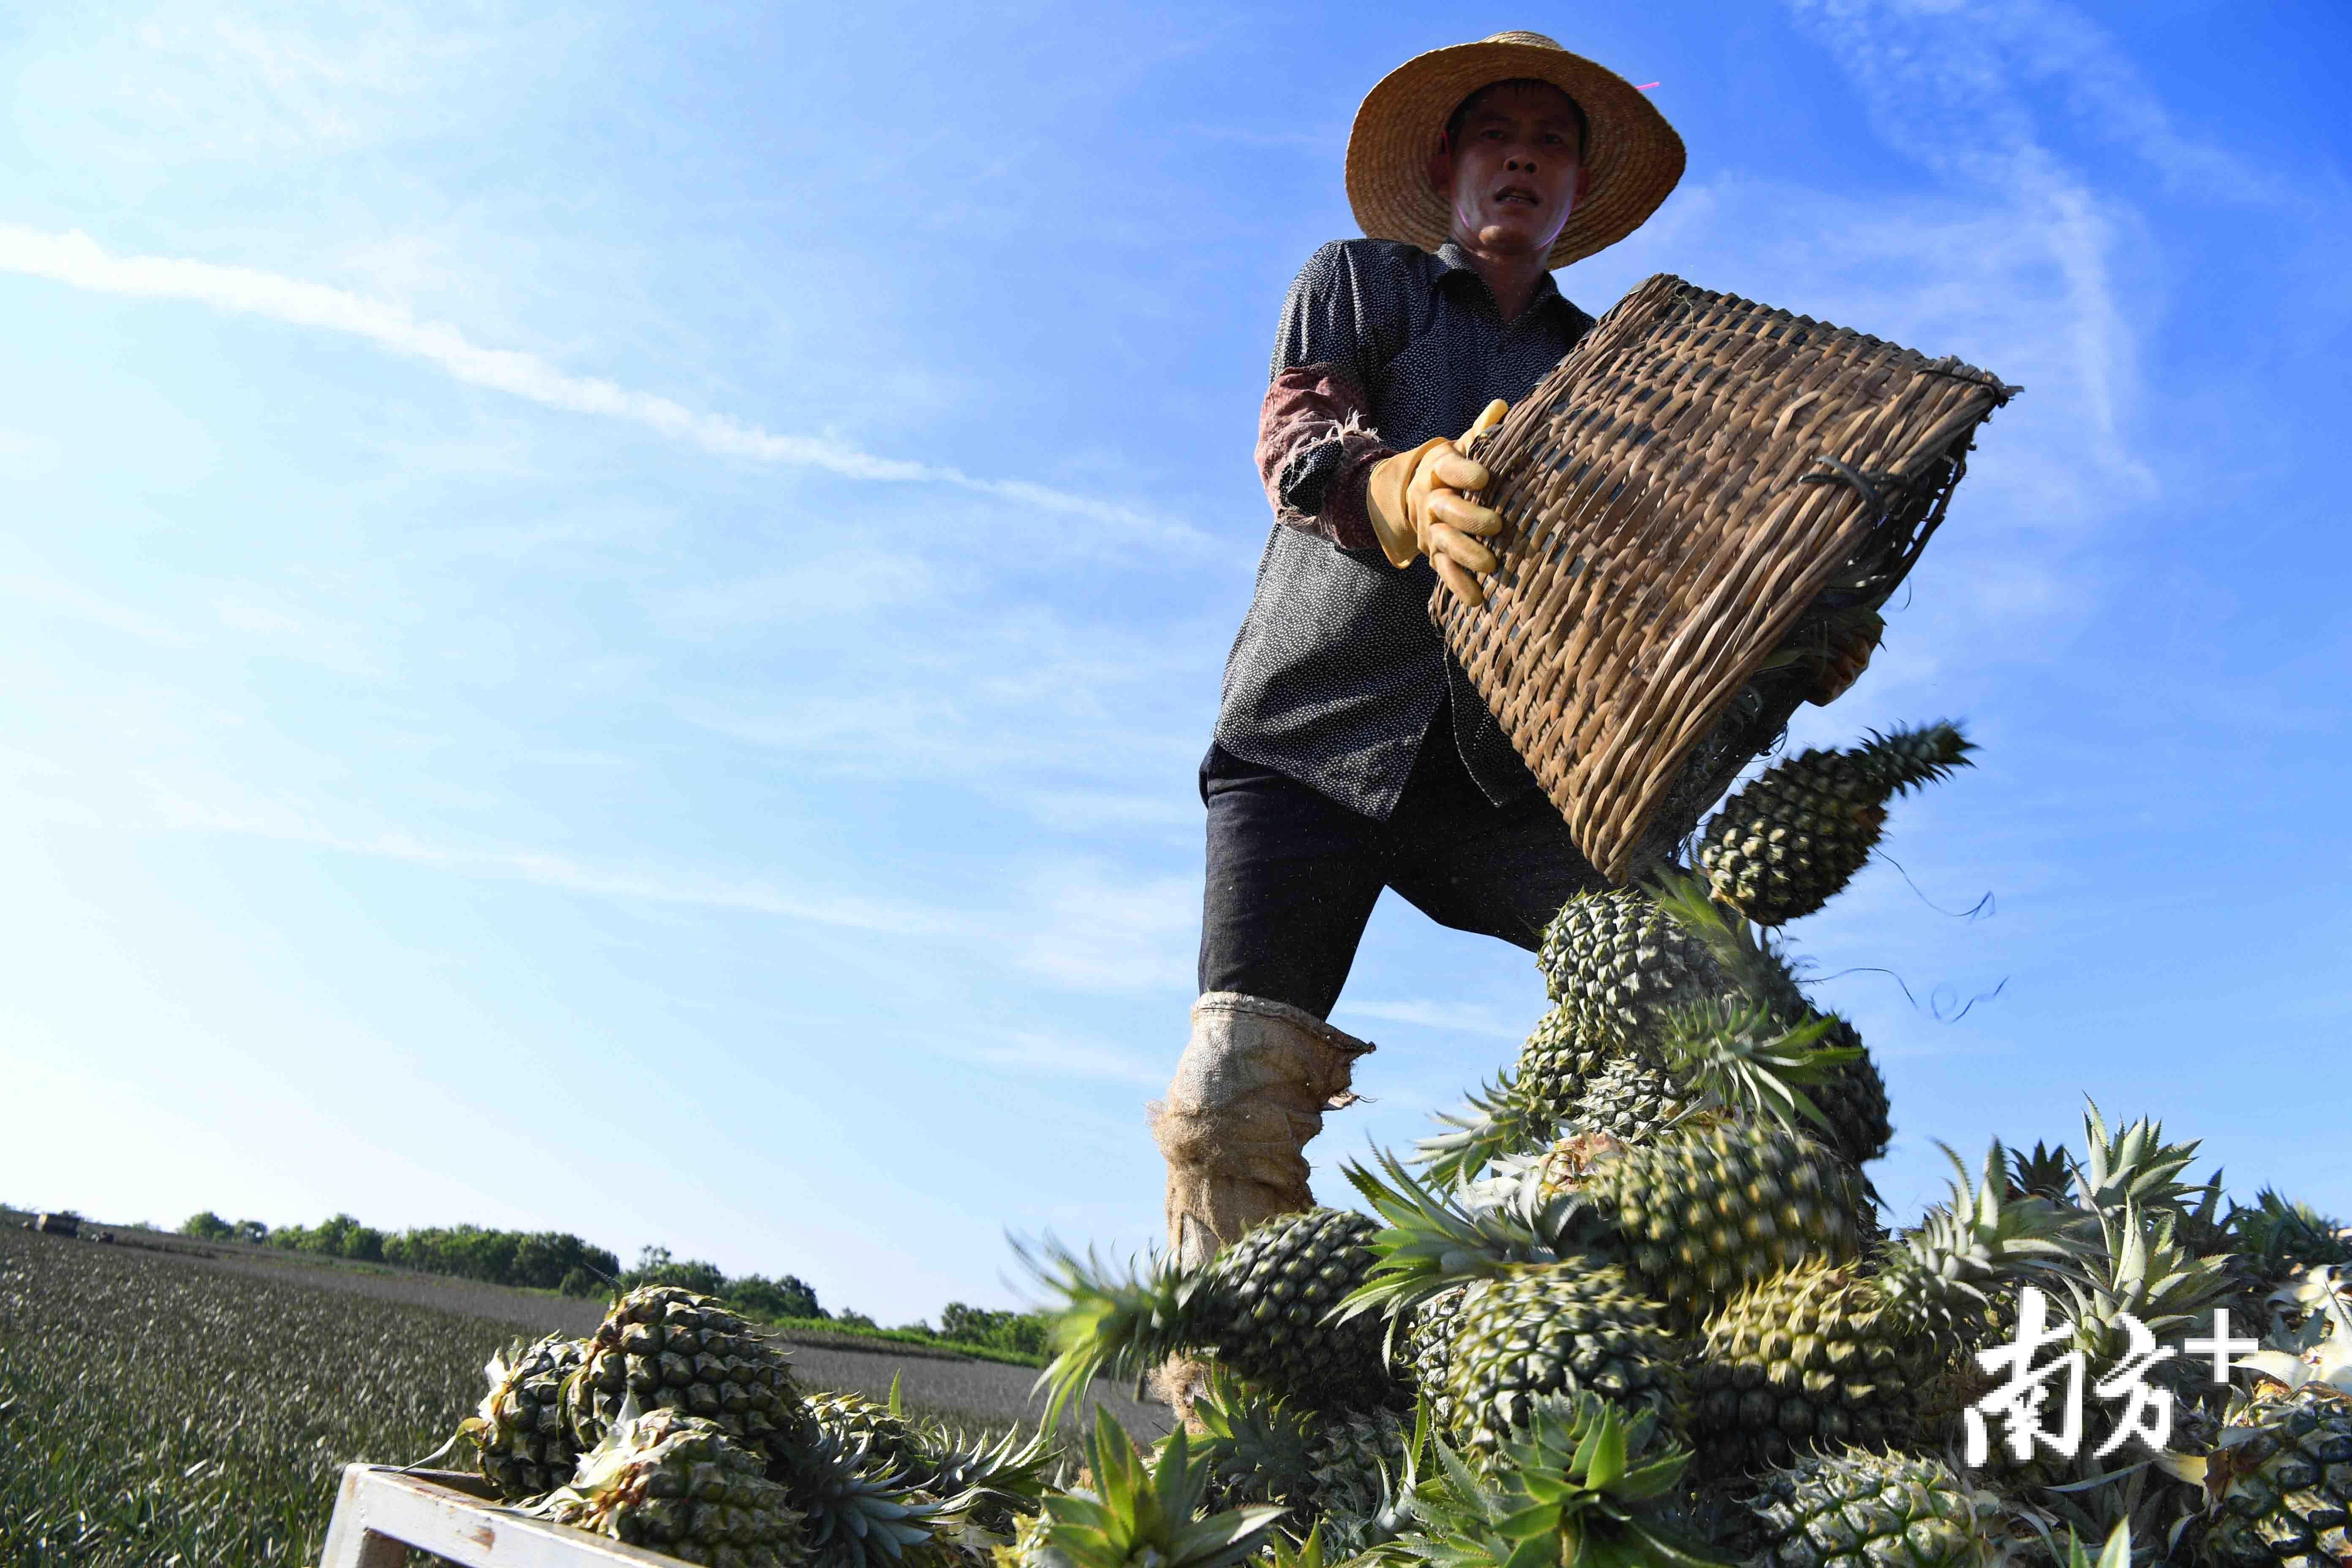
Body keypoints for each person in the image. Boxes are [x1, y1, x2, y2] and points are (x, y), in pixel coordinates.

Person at [1148, 33, 1873, 1303]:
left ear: (1577, 191)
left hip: (1502, 772)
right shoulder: (1360, 283)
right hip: (1310, 738)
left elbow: (1645, 593)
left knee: (1705, 987)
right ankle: (1227, 1398)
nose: (1525, 158)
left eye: (1553, 143)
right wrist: (1400, 487)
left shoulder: (1609, 374)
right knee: (1229, 1101)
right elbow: (1301, 439)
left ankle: (1733, 1292)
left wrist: (1785, 651)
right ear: (1450, 164)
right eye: (1501, 134)